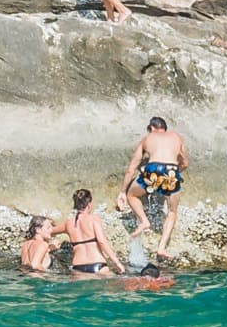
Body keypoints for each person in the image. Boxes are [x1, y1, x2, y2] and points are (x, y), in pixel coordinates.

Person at [118, 117, 190, 258]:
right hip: (171, 171)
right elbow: (185, 163)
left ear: (151, 128)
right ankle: (161, 248)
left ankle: (144, 221)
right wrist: (173, 174)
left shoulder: (148, 138)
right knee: (172, 212)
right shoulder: (177, 137)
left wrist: (122, 192)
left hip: (153, 169)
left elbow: (131, 169)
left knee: (131, 195)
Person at [63, 187, 119, 276]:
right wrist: (117, 263)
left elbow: (50, 231)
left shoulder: (68, 223)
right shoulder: (94, 219)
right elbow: (102, 241)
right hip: (97, 264)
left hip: (77, 267)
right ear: (89, 205)